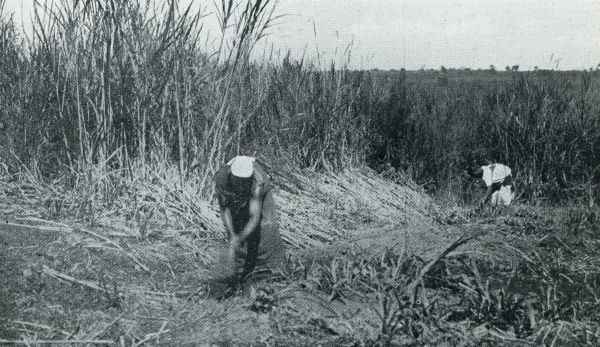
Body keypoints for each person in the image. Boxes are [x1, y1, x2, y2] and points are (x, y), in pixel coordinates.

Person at [213, 156, 286, 285]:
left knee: (266, 228)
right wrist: (232, 235)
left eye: (245, 181)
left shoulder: (258, 181)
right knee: (237, 227)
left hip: (258, 202)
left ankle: (274, 273)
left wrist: (238, 239)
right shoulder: (221, 179)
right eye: (238, 180)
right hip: (235, 194)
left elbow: (254, 218)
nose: (242, 184)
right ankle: (243, 276)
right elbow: (225, 209)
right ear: (231, 175)